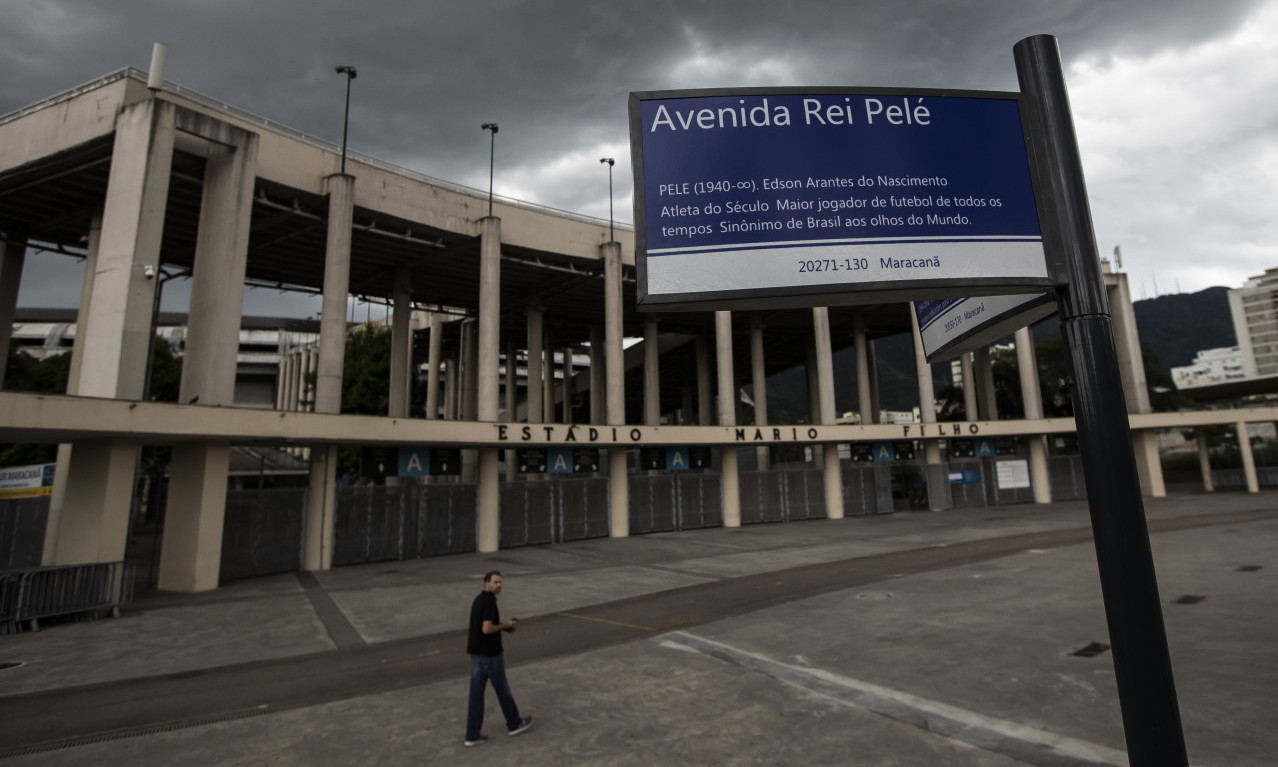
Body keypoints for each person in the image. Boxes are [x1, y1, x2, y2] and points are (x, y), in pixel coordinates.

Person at [465, 570, 533, 747]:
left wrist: (504, 627)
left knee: (476, 696)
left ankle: (471, 735)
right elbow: (487, 629)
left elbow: (485, 625)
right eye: (496, 582)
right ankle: (514, 723)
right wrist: (505, 625)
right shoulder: (488, 602)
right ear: (486, 583)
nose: (499, 585)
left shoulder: (479, 600)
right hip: (491, 656)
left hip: (477, 655)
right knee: (503, 690)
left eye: (500, 582)